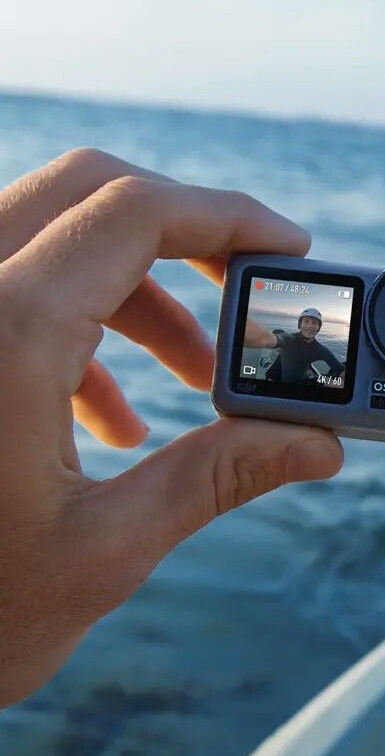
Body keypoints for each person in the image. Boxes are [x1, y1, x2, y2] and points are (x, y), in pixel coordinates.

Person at [0, 148, 343, 708]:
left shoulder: (323, 353)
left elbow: (324, 366)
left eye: (311, 319)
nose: (307, 324)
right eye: (304, 318)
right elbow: (262, 343)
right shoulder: (280, 343)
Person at [257, 308, 345, 382]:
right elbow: (278, 338)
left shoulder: (320, 349)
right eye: (306, 321)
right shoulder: (290, 339)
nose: (310, 326)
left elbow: (339, 368)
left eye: (314, 323)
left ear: (318, 328)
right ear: (300, 325)